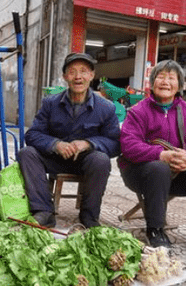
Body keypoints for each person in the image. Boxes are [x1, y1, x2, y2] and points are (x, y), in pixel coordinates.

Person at [118, 59, 186, 262]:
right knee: (159, 168)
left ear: (179, 85)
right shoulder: (139, 111)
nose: (165, 82)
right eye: (161, 77)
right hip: (140, 172)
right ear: (152, 82)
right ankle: (155, 230)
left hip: (176, 173)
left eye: (171, 78)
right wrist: (161, 155)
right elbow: (128, 145)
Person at [17, 52, 120, 228]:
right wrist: (55, 144)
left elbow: (115, 143)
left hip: (85, 161)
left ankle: (89, 216)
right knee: (27, 153)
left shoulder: (106, 107)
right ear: (65, 77)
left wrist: (89, 143)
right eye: (72, 72)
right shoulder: (51, 103)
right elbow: (32, 135)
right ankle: (44, 211)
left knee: (101, 160)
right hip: (56, 158)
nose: (78, 77)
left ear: (92, 75)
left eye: (83, 71)